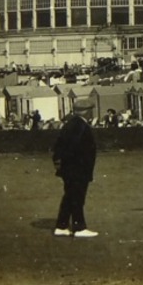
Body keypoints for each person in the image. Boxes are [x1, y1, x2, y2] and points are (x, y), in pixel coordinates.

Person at [51, 96, 98, 237]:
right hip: (77, 169)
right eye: (90, 110)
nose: (92, 113)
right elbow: (74, 148)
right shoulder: (80, 126)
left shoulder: (71, 124)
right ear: (86, 112)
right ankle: (79, 227)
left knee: (70, 197)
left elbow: (59, 147)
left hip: (70, 168)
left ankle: (62, 225)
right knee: (77, 198)